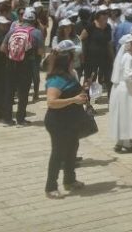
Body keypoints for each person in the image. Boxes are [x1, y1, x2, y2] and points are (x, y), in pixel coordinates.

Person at [43, 40, 88, 198]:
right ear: (66, 62)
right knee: (58, 153)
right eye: (72, 58)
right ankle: (50, 187)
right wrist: (74, 99)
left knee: (72, 149)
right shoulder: (56, 79)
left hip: (71, 120)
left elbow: (74, 93)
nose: (75, 60)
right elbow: (51, 102)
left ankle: (69, 180)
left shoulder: (71, 75)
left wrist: (84, 91)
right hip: (58, 121)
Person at [0, 7, 42, 126]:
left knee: (9, 92)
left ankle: (7, 119)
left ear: (22, 18)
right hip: (26, 65)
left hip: (10, 64)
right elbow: (40, 52)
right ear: (34, 20)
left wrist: (12, 55)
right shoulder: (36, 32)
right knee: (23, 93)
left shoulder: (13, 30)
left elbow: (2, 48)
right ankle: (20, 119)